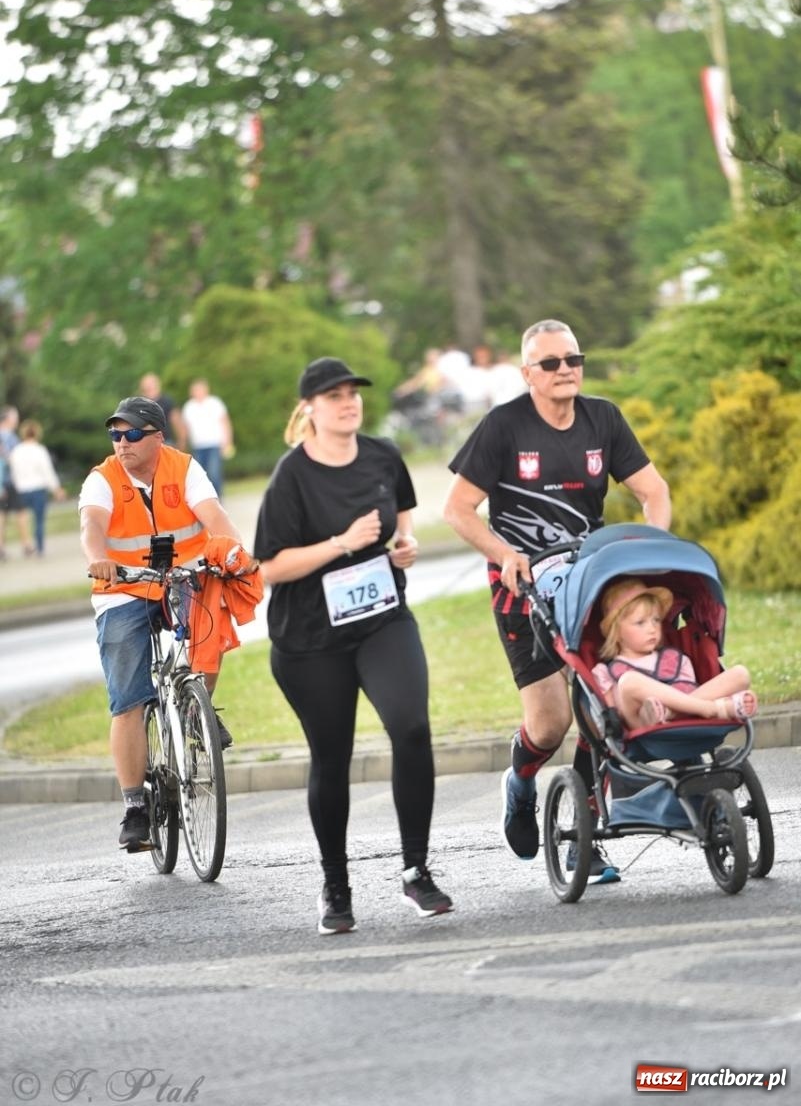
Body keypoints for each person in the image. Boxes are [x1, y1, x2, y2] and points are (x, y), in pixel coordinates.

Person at [443, 318, 671, 885]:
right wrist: (504, 553)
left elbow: (653, 491)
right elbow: (457, 510)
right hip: (520, 590)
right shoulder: (502, 428)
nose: (565, 370)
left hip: (584, 582)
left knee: (603, 707)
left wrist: (653, 547)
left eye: (573, 359)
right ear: (528, 374)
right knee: (549, 724)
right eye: (551, 364)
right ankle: (520, 784)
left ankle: (585, 843)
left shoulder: (604, 419)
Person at [254, 356, 453, 935]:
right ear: (310, 409)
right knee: (332, 756)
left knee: (411, 727)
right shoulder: (292, 476)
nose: (348, 402)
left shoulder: (382, 455)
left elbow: (404, 511)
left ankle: (416, 870)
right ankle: (335, 886)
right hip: (311, 639)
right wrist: (342, 544)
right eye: (334, 395)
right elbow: (270, 566)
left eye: (353, 393)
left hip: (381, 619)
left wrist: (405, 545)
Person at [79, 396, 258, 853]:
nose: (123, 443)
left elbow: (214, 517)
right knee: (128, 699)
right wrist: (98, 559)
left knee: (210, 625)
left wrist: (232, 551)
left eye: (133, 434)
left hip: (184, 576)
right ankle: (136, 806)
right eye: (116, 434)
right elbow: (91, 526)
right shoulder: (102, 480)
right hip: (123, 589)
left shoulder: (185, 468)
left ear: (158, 436)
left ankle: (198, 710)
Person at [592, 578, 758, 730]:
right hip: (641, 723)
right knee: (628, 680)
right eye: (640, 622)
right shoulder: (604, 671)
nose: (652, 628)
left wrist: (670, 708)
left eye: (656, 620)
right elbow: (613, 714)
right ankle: (714, 708)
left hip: (684, 712)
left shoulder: (676, 659)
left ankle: (672, 713)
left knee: (740, 674)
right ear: (617, 632)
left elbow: (688, 688)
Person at [8, 419, 66, 556]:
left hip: (22, 489)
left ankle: (27, 544)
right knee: (39, 520)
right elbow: (47, 471)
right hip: (38, 488)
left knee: (23, 519)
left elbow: (14, 472)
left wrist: (17, 485)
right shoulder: (39, 450)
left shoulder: (16, 451)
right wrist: (56, 488)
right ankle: (39, 548)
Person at [182, 379, 234, 497]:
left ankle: (218, 498)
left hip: (214, 444)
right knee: (200, 475)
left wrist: (228, 441)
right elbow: (186, 428)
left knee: (214, 474)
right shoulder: (189, 407)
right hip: (198, 446)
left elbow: (225, 422)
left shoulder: (215, 403)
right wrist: (184, 444)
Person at [0, 405, 34, 558]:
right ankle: (27, 545)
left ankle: (1, 548)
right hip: (9, 481)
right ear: (8, 419)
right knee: (21, 513)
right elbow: (13, 459)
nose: (17, 420)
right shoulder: (9, 437)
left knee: (2, 516)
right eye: (15, 417)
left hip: (4, 482)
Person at [139, 373, 187, 450]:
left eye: (151, 383)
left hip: (166, 442)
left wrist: (182, 441)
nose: (149, 386)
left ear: (157, 384)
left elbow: (177, 422)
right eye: (146, 384)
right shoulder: (138, 403)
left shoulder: (167, 401)